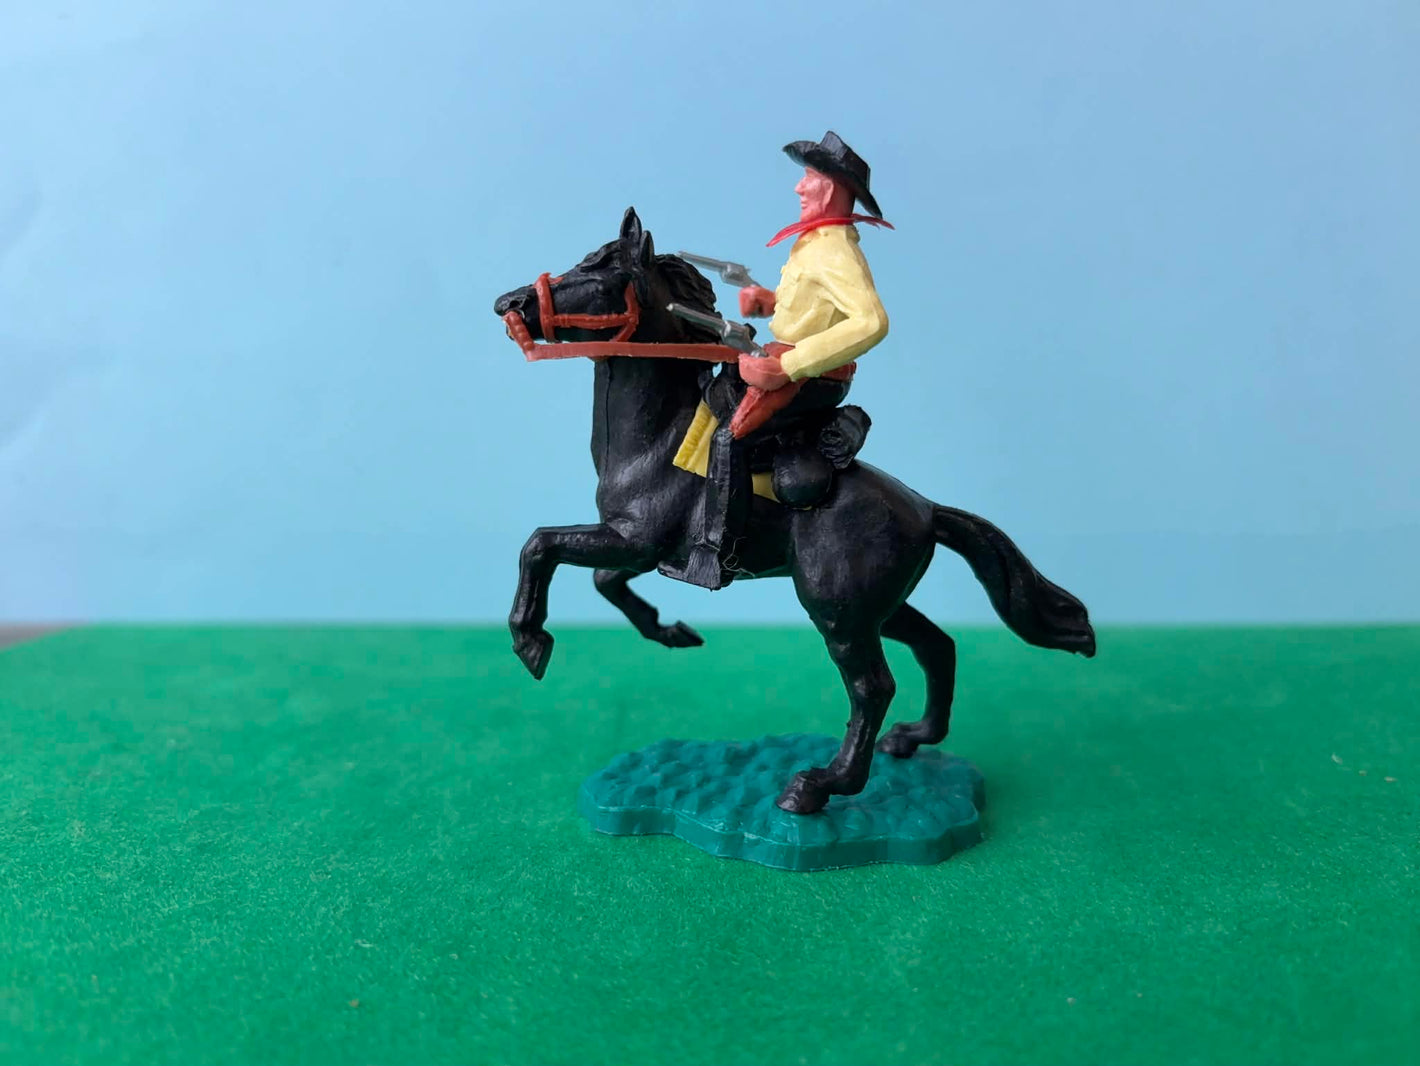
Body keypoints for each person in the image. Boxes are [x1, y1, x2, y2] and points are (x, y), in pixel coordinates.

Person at [681, 131, 892, 590]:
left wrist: (789, 367)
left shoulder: (835, 250)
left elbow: (871, 321)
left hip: (813, 375)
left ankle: (717, 554)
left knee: (729, 439)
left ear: (830, 188)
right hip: (792, 359)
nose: (799, 187)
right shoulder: (813, 242)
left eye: (809, 177)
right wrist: (771, 302)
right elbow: (813, 308)